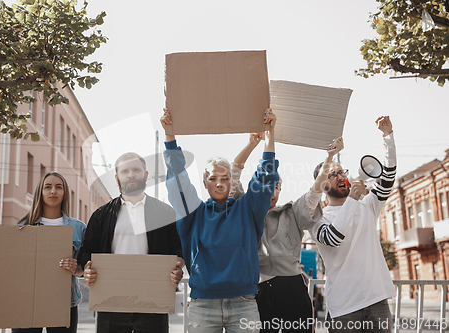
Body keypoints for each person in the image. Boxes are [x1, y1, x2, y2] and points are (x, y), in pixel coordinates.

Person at [161, 108, 279, 333]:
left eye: (225, 178)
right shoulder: (193, 213)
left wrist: (269, 135)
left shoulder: (247, 209)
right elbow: (179, 182)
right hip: (202, 305)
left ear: (231, 182)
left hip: (244, 304)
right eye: (213, 178)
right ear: (205, 183)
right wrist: (170, 137)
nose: (219, 183)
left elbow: (265, 176)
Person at [230, 133, 344, 333]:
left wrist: (329, 158)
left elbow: (315, 192)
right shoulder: (244, 209)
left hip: (291, 287)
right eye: (268, 186)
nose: (272, 193)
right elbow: (232, 178)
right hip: (257, 290)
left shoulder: (292, 211)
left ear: (281, 190)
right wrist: (252, 144)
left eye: (276, 187)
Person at [78, 152, 184, 333]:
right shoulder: (102, 215)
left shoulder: (165, 213)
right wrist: (87, 269)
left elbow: (178, 251)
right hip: (111, 303)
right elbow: (87, 250)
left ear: (146, 175)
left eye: (136, 169)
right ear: (117, 177)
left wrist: (178, 268)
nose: (131, 174)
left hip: (153, 304)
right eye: (125, 171)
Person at [310, 116, 396, 333]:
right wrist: (353, 201)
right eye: (333, 174)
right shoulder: (316, 218)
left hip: (378, 303)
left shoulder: (367, 205)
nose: (340, 176)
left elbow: (387, 179)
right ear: (321, 185)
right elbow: (333, 237)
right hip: (344, 309)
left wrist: (388, 137)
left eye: (342, 172)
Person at [14, 171, 87, 333]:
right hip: (26, 301)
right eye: (48, 187)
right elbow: (11, 265)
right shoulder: (23, 226)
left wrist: (76, 268)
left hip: (64, 301)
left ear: (64, 193)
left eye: (58, 187)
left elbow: (84, 269)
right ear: (40, 192)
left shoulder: (79, 228)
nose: (53, 191)